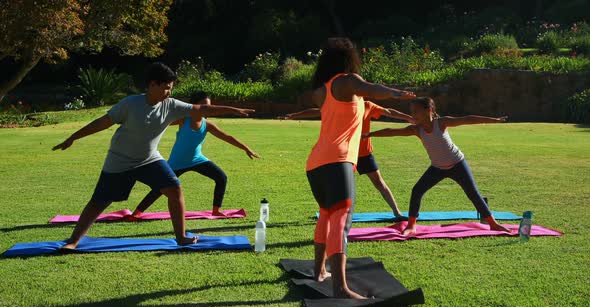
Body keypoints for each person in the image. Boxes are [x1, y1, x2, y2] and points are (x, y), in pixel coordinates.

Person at [52, 63, 254, 249]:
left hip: (149, 159)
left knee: (174, 189)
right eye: (166, 87)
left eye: (171, 87)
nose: (169, 92)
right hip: (120, 161)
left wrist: (233, 110)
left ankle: (181, 237)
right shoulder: (130, 104)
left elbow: (202, 108)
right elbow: (102, 122)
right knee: (100, 201)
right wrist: (73, 137)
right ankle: (74, 241)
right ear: (152, 84)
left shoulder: (172, 105)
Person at [305, 37, 415, 299]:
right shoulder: (348, 81)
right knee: (341, 219)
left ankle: (319, 272)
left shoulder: (321, 90)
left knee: (326, 215)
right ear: (349, 59)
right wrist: (397, 93)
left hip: (316, 163)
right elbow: (370, 87)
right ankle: (341, 288)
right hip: (338, 160)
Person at [365, 97, 511, 236]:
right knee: (417, 190)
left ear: (428, 110)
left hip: (458, 164)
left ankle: (493, 223)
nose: (412, 114)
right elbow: (391, 132)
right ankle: (411, 226)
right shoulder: (417, 129)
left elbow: (467, 119)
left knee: (473, 193)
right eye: (412, 111)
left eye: (416, 111)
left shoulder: (441, 123)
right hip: (437, 168)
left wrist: (494, 120)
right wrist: (369, 134)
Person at [131, 91, 260, 218]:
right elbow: (161, 122)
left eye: (209, 107)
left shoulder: (207, 125)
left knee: (221, 177)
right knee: (160, 187)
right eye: (204, 107)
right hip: (177, 162)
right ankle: (136, 213)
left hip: (197, 159)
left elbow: (227, 137)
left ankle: (216, 210)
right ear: (194, 106)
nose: (207, 110)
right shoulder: (183, 120)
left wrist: (246, 148)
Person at [283, 101, 414, 221]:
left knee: (379, 182)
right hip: (345, 155)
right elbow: (318, 110)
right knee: (338, 187)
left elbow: (389, 111)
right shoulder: (340, 106)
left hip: (364, 153)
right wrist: (295, 115)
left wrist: (407, 117)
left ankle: (397, 213)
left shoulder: (367, 105)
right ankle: (329, 213)